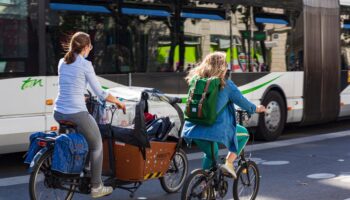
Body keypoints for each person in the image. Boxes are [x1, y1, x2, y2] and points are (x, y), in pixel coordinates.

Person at [53, 32, 126, 198]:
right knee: (97, 144)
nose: (90, 49)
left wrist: (82, 95)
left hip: (58, 111)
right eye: (90, 46)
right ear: (86, 47)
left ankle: (83, 168)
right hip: (76, 112)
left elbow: (69, 85)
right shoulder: (85, 65)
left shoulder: (62, 62)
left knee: (83, 137)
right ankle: (96, 186)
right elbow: (100, 93)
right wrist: (118, 102)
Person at [182, 52, 265, 178]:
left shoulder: (196, 81)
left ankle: (205, 185)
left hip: (192, 129)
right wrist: (257, 109)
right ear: (222, 67)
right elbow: (243, 102)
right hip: (213, 130)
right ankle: (229, 163)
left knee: (211, 154)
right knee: (243, 134)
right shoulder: (226, 84)